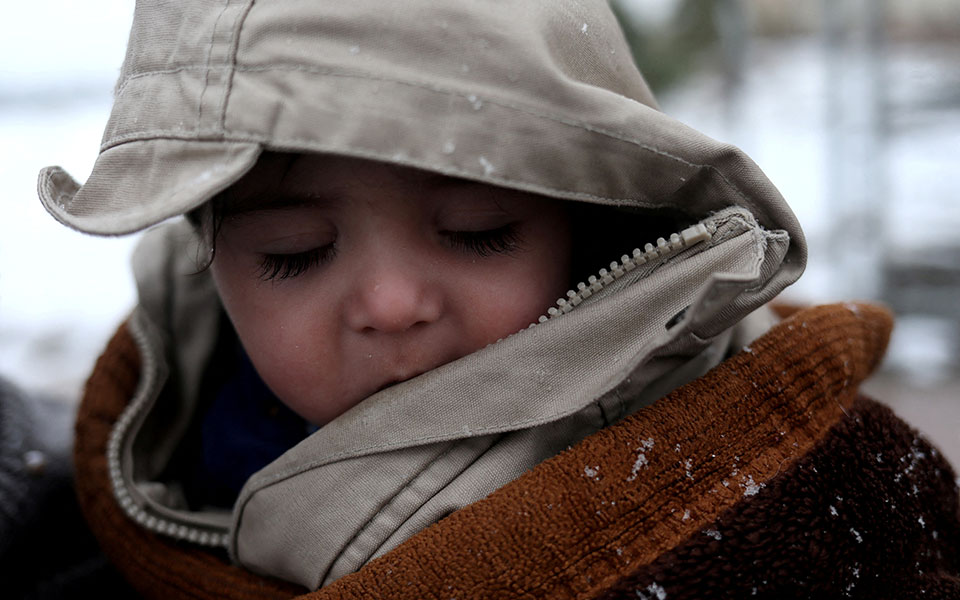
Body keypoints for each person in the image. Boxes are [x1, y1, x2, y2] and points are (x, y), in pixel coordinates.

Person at [36, 0, 959, 597]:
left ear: (592, 219)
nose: (392, 303)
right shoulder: (161, 460)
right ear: (207, 254)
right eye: (294, 254)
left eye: (478, 230)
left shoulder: (766, 465)